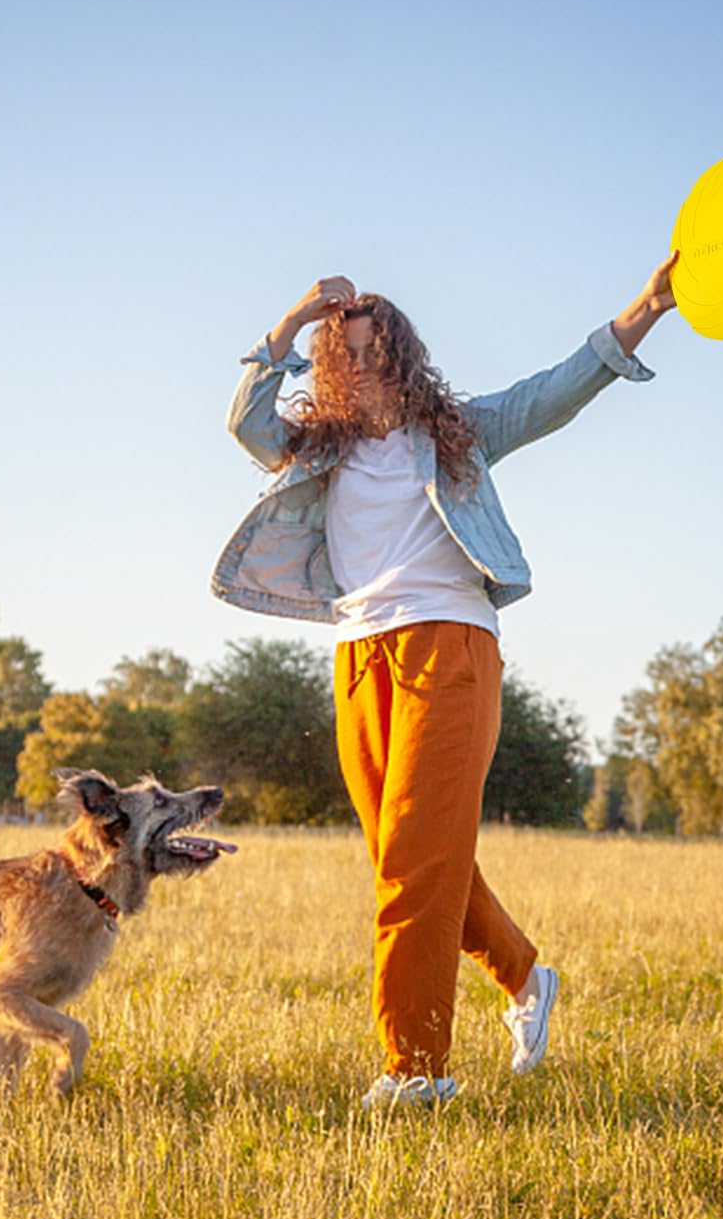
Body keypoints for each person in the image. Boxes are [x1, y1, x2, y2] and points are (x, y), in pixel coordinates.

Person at [215, 257, 678, 1109]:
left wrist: (647, 306)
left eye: (370, 349)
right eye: (341, 354)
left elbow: (559, 389)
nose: (358, 365)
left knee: (416, 868)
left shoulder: (461, 431)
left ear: (399, 354)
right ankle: (527, 977)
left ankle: (415, 1070)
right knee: (410, 857)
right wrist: (286, 326)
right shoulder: (320, 449)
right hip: (359, 653)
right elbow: (246, 422)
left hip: (451, 646)